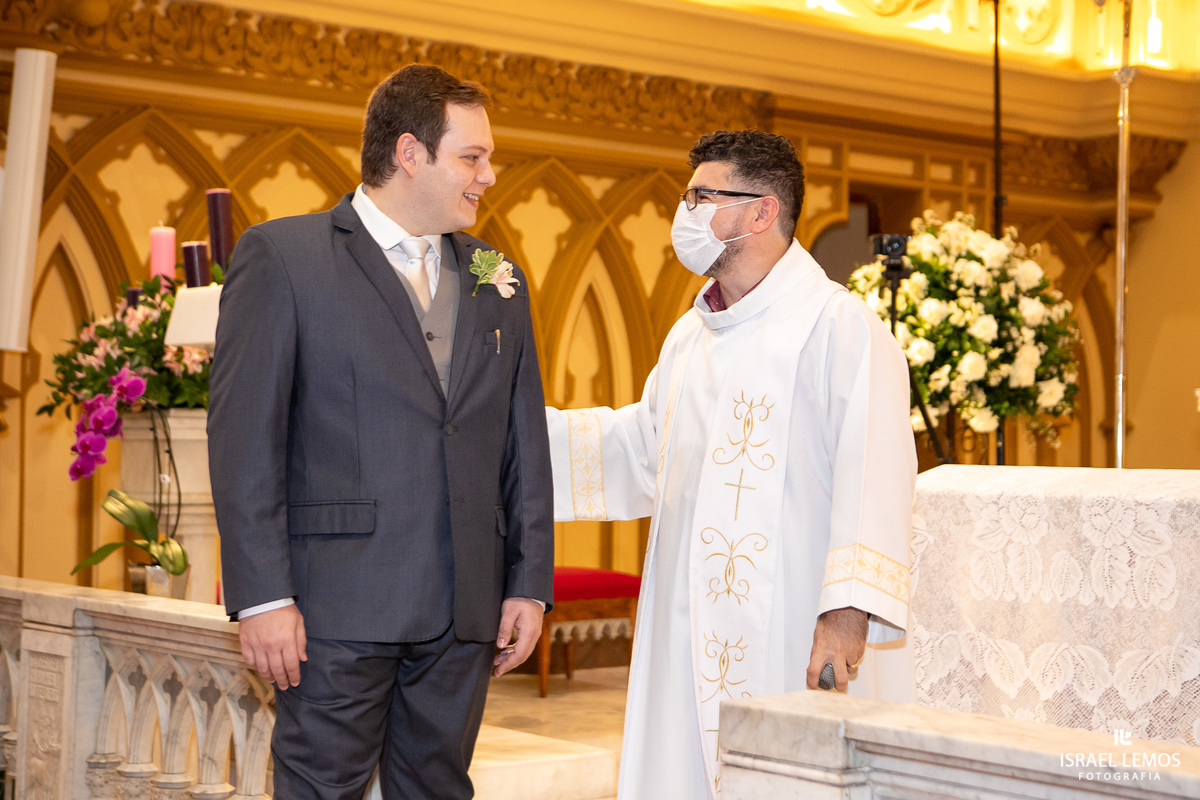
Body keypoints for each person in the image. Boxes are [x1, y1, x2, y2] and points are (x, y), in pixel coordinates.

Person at [208, 64, 554, 800]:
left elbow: (521, 440)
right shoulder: (285, 257)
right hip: (336, 607)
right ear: (408, 153)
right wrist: (263, 597)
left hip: (464, 610)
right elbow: (245, 442)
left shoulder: (499, 276)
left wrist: (528, 584)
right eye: (473, 156)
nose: (489, 174)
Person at [545, 129, 916, 799]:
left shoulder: (840, 326)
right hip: (682, 625)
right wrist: (512, 438)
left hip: (789, 621)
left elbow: (876, 477)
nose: (684, 215)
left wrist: (846, 615)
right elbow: (642, 449)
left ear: (762, 210)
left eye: (701, 197)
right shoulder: (691, 336)